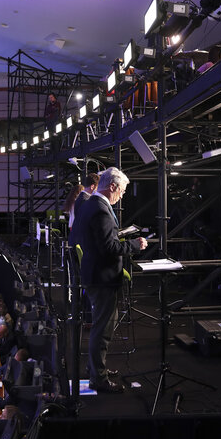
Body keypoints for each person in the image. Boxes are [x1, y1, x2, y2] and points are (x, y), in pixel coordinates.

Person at [74, 167, 147, 393]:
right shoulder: (100, 209)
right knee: (102, 329)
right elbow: (109, 248)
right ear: (112, 186)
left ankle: (96, 369)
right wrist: (135, 245)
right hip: (102, 276)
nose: (122, 195)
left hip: (95, 274)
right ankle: (98, 378)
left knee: (103, 325)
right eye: (122, 191)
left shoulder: (90, 204)